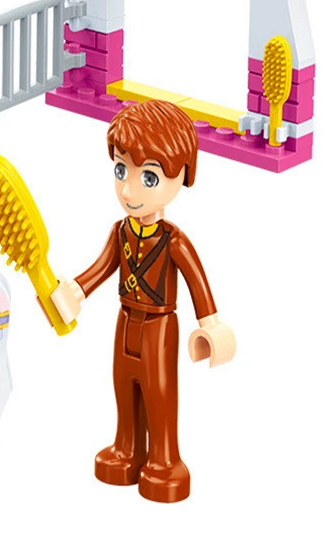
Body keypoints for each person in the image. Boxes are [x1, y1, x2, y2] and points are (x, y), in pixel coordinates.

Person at [51, 99, 235, 503]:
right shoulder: (120, 232)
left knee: (159, 392)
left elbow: (198, 285)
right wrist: (72, 293)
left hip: (159, 328)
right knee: (123, 385)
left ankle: (165, 460)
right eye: (121, 171)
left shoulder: (174, 241)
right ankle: (128, 448)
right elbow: (99, 269)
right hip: (125, 321)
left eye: (148, 177)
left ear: (183, 175)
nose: (128, 190)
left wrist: (211, 326)